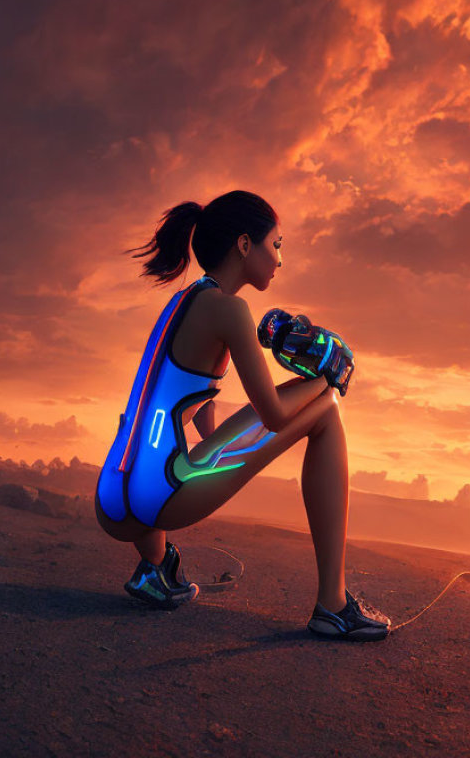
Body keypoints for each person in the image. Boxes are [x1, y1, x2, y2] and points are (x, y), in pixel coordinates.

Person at [94, 190, 389, 641]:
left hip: (113, 497)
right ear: (245, 245)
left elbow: (192, 401)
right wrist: (326, 378)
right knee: (327, 410)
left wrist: (214, 450)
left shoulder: (183, 301)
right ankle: (333, 605)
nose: (280, 259)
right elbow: (271, 415)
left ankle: (155, 569)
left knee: (165, 446)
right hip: (161, 497)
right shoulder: (231, 310)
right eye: (276, 244)